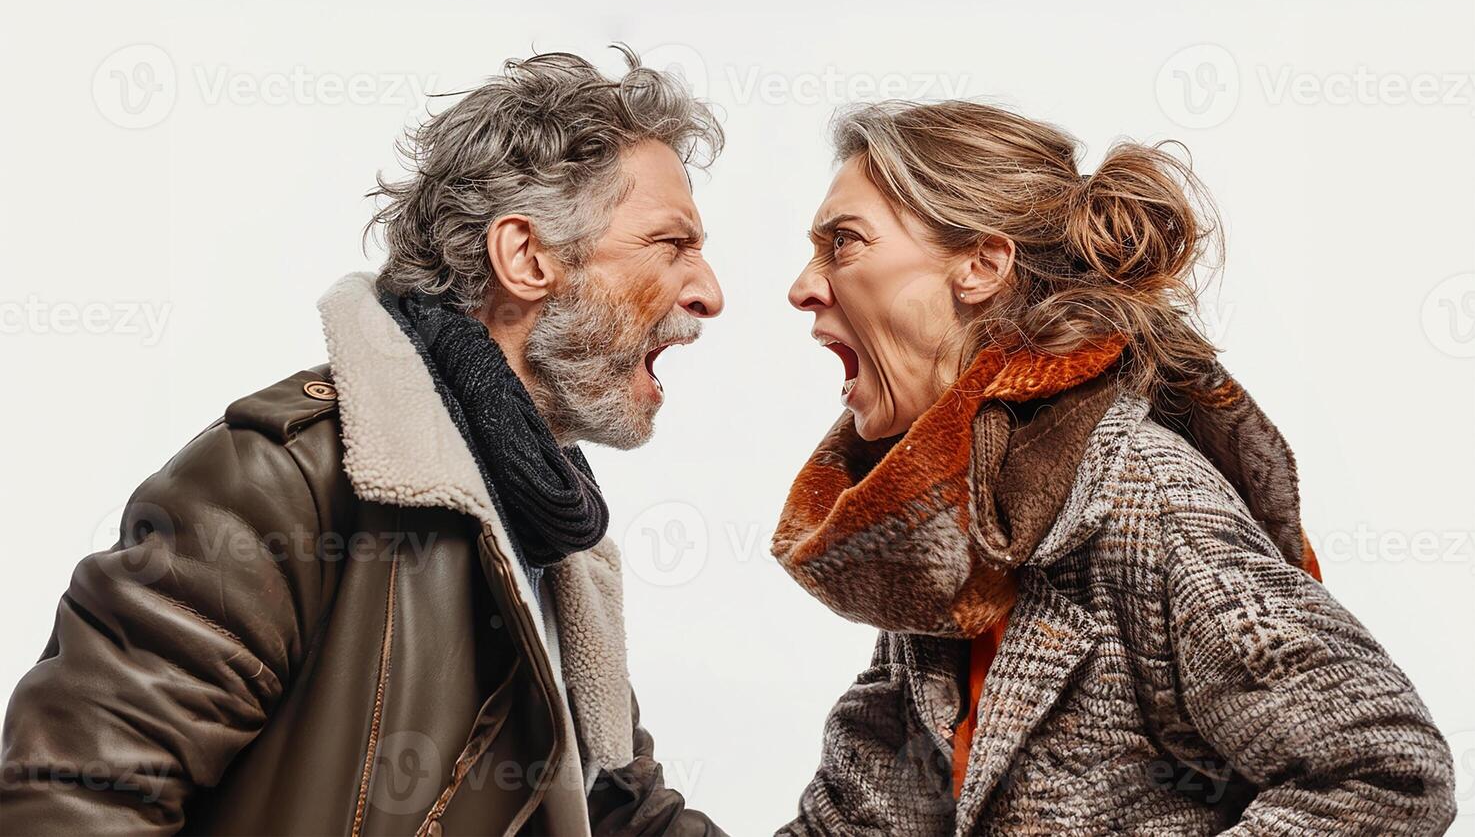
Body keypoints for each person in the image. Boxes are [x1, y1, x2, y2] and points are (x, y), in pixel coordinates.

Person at [0, 48, 727, 836]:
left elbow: (622, 815)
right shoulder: (281, 481)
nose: (709, 291)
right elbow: (70, 802)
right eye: (672, 244)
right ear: (526, 258)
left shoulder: (559, 538)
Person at [773, 99, 1456, 835]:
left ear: (981, 264)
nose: (803, 287)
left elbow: (1387, 774)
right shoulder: (956, 524)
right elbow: (861, 822)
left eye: (843, 243)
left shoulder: (1147, 502)